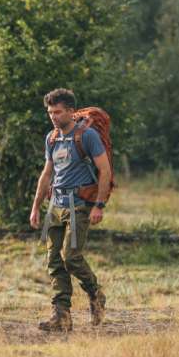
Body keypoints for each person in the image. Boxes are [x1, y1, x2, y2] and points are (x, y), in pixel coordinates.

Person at [29, 88, 110, 332]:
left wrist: (99, 205)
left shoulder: (87, 136)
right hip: (56, 204)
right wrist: (35, 206)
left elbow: (105, 171)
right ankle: (61, 316)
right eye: (50, 112)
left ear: (71, 112)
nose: (53, 116)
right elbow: (47, 173)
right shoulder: (52, 138)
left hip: (79, 204)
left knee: (71, 258)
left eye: (58, 112)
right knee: (54, 260)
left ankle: (96, 293)